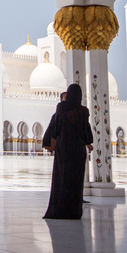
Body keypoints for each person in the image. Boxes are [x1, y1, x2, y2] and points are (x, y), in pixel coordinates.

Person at [43, 84, 93, 219]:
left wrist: (51, 143)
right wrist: (88, 143)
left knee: (62, 179)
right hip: (78, 151)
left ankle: (59, 210)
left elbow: (55, 128)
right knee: (76, 182)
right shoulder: (83, 111)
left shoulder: (61, 108)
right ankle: (74, 212)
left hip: (64, 150)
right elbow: (86, 132)